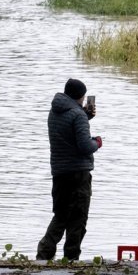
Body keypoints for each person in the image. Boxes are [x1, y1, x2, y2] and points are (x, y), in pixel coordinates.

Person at [36, 78, 102, 261]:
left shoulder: (55, 111)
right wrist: (97, 142)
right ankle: (71, 259)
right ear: (80, 96)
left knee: (61, 216)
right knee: (77, 220)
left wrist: (85, 116)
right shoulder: (77, 115)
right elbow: (84, 146)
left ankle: (43, 255)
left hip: (59, 173)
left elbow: (67, 128)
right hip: (78, 174)